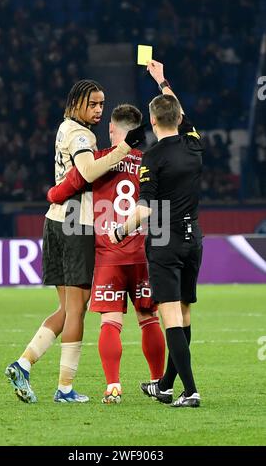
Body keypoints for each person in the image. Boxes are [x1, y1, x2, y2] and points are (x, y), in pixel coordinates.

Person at [5, 80, 145, 404]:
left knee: (67, 308)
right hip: (75, 225)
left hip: (55, 221)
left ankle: (23, 364)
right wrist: (124, 149)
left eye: (102, 104)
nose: (99, 110)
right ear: (79, 102)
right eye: (94, 104)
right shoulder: (82, 135)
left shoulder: (64, 127)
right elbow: (87, 171)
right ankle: (65, 389)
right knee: (76, 311)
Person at [47, 104, 165, 404]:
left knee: (110, 321)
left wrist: (51, 195)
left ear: (113, 129)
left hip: (108, 256)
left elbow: (62, 190)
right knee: (149, 317)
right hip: (141, 254)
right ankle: (157, 382)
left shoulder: (98, 160)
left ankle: (113, 385)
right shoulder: (149, 162)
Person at [110, 60, 203, 408]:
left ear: (151, 122)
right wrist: (162, 81)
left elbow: (146, 210)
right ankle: (165, 385)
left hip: (165, 242)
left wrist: (120, 229)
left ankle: (190, 391)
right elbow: (178, 111)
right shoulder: (195, 145)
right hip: (195, 240)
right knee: (184, 312)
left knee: (170, 317)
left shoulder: (152, 157)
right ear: (179, 118)